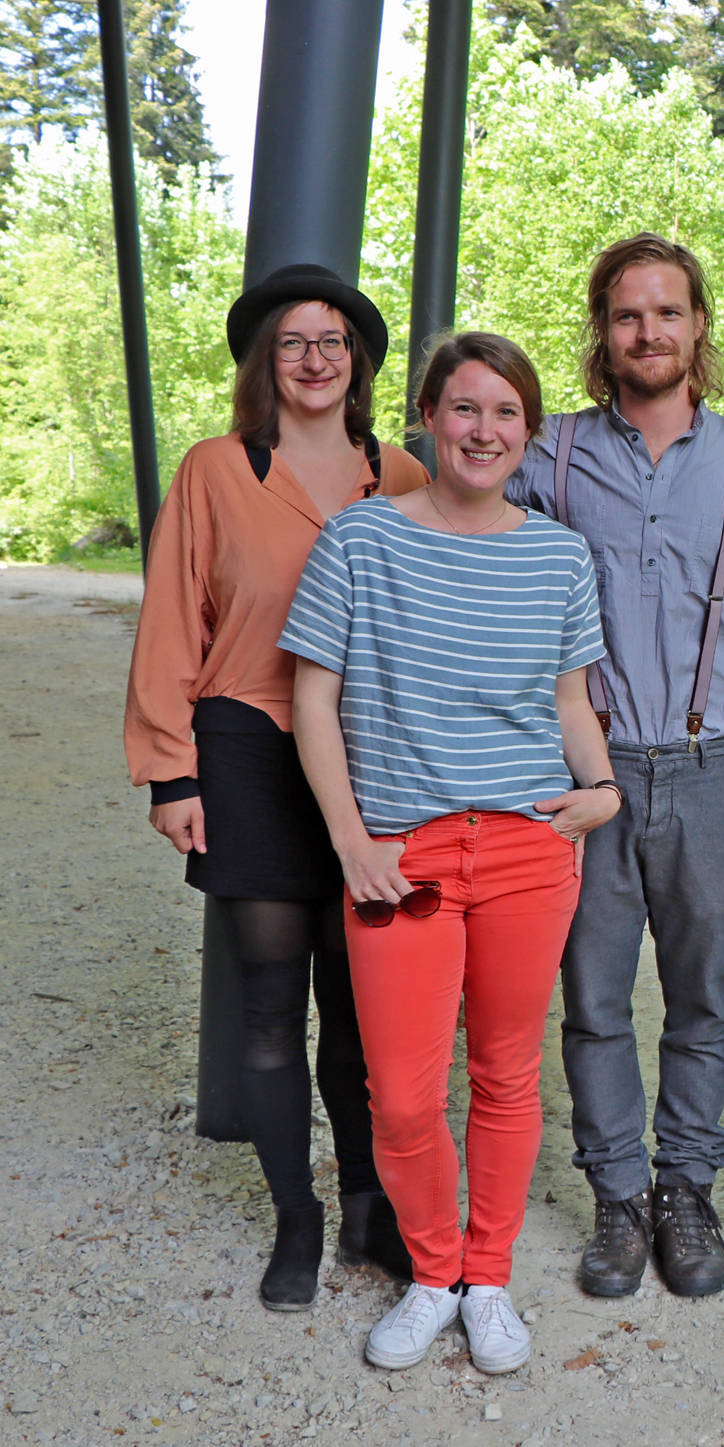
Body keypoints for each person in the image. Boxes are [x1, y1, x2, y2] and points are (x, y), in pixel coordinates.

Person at [283, 332, 621, 1374]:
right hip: (403, 858)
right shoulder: (360, 541)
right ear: (427, 414)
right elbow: (313, 697)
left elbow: (570, 702)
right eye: (466, 408)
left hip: (527, 849)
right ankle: (432, 1274)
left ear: (529, 428)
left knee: (509, 1074)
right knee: (402, 1091)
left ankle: (488, 1278)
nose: (485, 430)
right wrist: (351, 842)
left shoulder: (558, 553)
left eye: (507, 412)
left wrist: (602, 790)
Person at [125, 264, 429, 1310]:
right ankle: (292, 1217)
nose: (313, 358)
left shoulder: (401, 477)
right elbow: (172, 617)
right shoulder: (216, 470)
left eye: (333, 341)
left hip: (369, 758)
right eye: (293, 341)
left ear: (358, 362)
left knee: (359, 1007)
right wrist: (171, 770)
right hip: (248, 743)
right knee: (269, 1006)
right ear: (267, 361)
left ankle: (364, 1208)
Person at [505, 234, 724, 1300]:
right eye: (626, 315)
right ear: (602, 335)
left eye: (667, 312)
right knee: (594, 997)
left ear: (699, 326)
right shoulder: (541, 452)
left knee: (700, 996)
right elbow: (435, 499)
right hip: (584, 770)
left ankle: (683, 1189)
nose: (648, 332)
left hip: (710, 762)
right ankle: (614, 1197)